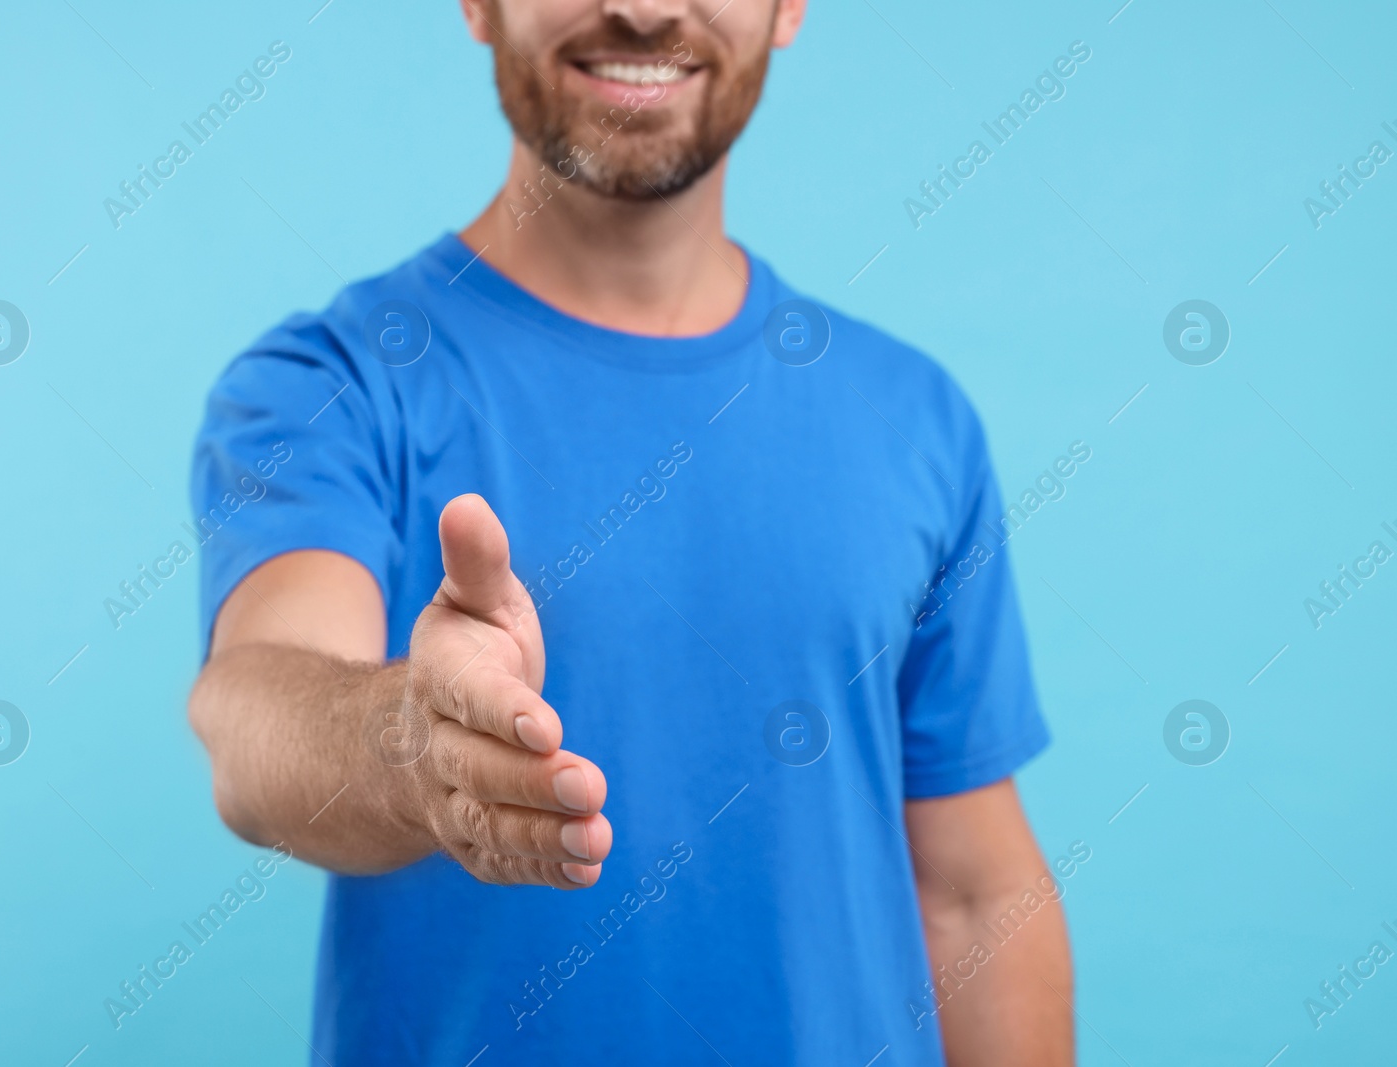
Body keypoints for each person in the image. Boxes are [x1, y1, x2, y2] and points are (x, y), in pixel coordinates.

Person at [187, 0, 1073, 1062]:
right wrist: (414, 743)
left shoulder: (914, 419)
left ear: (789, 9)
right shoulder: (330, 385)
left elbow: (974, 896)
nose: (644, 10)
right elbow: (254, 716)